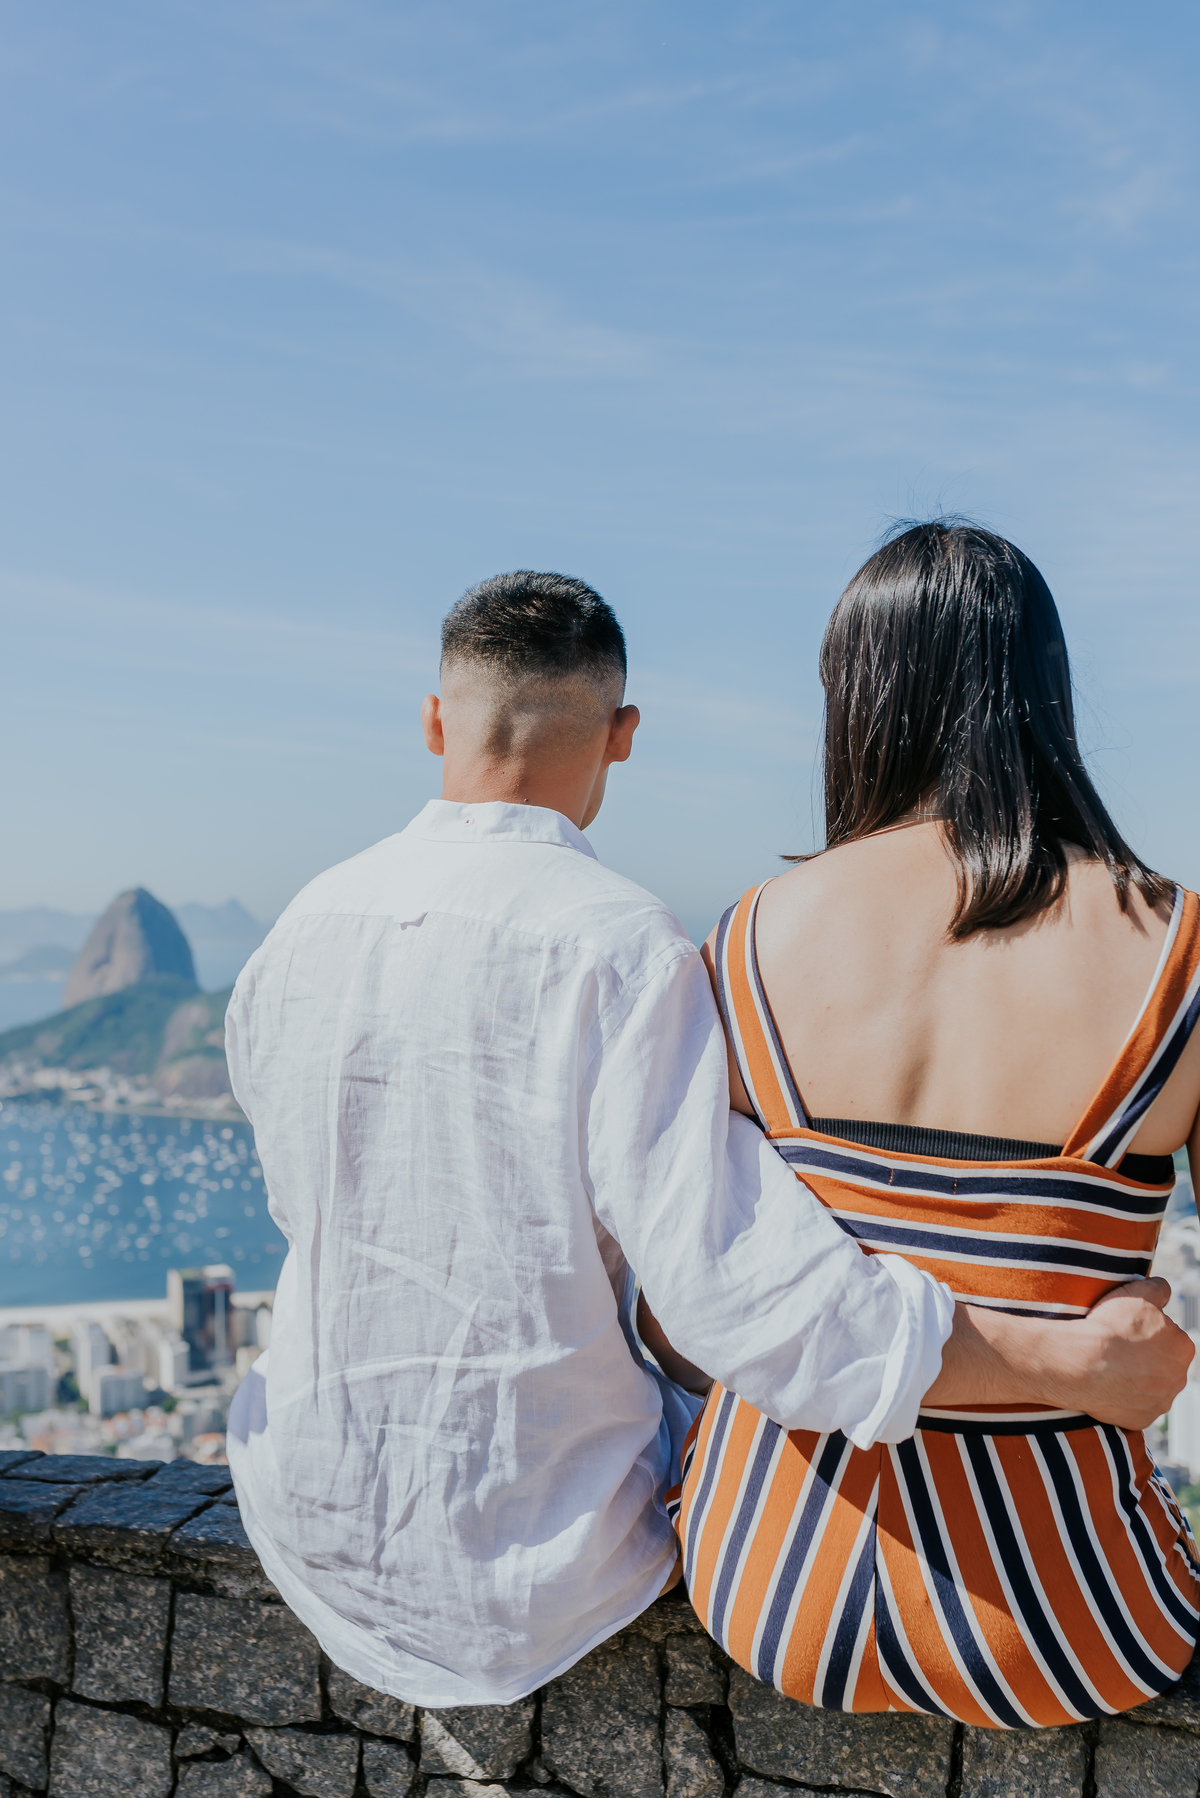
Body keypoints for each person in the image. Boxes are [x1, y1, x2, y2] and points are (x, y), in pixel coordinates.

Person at [225, 568, 1188, 1708]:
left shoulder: (308, 927)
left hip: (356, 1522)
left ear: (434, 719)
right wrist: (1057, 1360)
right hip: (1014, 1614)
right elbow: (731, 1286)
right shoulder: (623, 942)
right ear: (622, 736)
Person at [670, 521, 1200, 1728]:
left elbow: (687, 1297)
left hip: (768, 1584)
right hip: (1071, 1624)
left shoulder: (750, 935)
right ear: (1046, 690)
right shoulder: (1178, 951)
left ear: (855, 700)